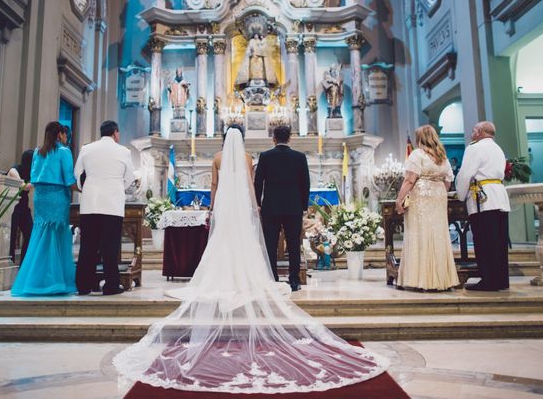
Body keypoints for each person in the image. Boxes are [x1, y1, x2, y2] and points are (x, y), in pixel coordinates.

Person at [113, 128, 387, 394]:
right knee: (290, 246)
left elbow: (218, 185)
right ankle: (290, 279)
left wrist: (219, 206)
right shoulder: (254, 158)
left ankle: (269, 277)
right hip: (280, 206)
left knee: (251, 244)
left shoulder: (224, 158)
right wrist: (257, 204)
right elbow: (257, 183)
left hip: (235, 205)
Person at [11, 122, 77, 296]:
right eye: (64, 134)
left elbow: (34, 176)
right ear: (60, 134)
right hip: (57, 196)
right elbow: (69, 179)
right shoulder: (64, 151)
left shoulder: (38, 152)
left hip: (40, 196)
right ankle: (54, 281)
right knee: (55, 235)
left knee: (40, 235)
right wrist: (83, 188)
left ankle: (35, 281)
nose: (66, 138)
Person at [395, 125, 459, 291]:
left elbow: (410, 179)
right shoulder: (442, 156)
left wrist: (400, 199)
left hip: (420, 196)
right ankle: (440, 280)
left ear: (419, 139)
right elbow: (448, 180)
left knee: (419, 233)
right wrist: (437, 192)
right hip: (438, 195)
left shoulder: (417, 154)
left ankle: (420, 280)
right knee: (438, 234)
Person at [74, 120, 135, 296]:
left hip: (90, 202)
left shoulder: (87, 149)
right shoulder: (123, 151)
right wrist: (117, 187)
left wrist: (88, 186)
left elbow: (78, 175)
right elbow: (130, 178)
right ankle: (111, 286)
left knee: (88, 246)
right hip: (112, 203)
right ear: (115, 133)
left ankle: (83, 286)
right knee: (110, 247)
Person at [455, 121, 511, 291]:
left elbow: (465, 174)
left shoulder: (475, 148)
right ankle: (501, 280)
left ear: (479, 132)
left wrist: (460, 195)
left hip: (483, 199)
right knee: (499, 242)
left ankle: (488, 281)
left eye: (473, 130)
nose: (471, 134)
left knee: (485, 242)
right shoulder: (497, 148)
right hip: (499, 196)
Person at [255, 125, 310, 292]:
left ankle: (273, 278)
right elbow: (305, 184)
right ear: (290, 138)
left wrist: (257, 203)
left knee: (270, 245)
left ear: (273, 138)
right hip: (293, 208)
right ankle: (294, 280)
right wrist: (303, 206)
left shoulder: (265, 157)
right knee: (294, 244)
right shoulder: (299, 157)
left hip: (270, 208)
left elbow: (258, 183)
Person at [209, 124, 253, 213]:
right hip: (241, 199)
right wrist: (253, 203)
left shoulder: (217, 157)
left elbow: (214, 183)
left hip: (223, 198)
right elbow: (250, 183)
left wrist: (212, 204)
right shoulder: (248, 157)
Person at [7, 149, 34, 264]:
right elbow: (23, 186)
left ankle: (24, 263)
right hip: (12, 205)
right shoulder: (14, 170)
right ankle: (10, 262)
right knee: (11, 236)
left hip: (23, 205)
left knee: (30, 233)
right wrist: (38, 181)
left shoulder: (32, 172)